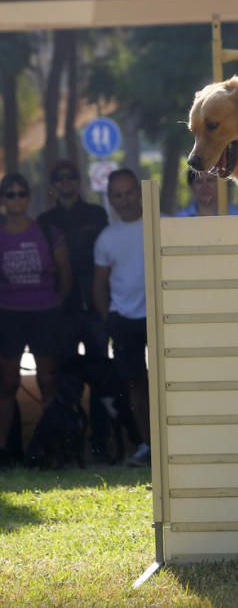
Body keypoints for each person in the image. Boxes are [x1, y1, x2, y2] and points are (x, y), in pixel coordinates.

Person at [38, 159, 111, 461]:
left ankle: (101, 444)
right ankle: (66, 444)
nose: (66, 181)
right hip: (62, 308)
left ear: (78, 182)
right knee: (64, 379)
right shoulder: (45, 220)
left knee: (101, 379)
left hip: (94, 304)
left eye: (71, 177)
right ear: (52, 185)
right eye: (60, 177)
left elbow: (104, 259)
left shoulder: (96, 214)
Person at [0, 173, 72, 468]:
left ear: (29, 197)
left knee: (47, 382)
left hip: (45, 313)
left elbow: (65, 272)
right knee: (6, 383)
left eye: (21, 193)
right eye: (9, 194)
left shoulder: (46, 231)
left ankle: (49, 447)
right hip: (9, 314)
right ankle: (4, 451)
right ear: (3, 200)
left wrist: (57, 302)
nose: (16, 199)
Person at [92, 168, 150, 467]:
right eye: (117, 195)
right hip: (124, 320)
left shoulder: (162, 224)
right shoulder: (106, 238)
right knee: (136, 386)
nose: (124, 200)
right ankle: (146, 444)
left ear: (139, 193)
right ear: (110, 199)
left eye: (129, 193)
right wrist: (109, 320)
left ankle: (172, 441)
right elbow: (99, 284)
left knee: (168, 382)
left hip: (158, 317)